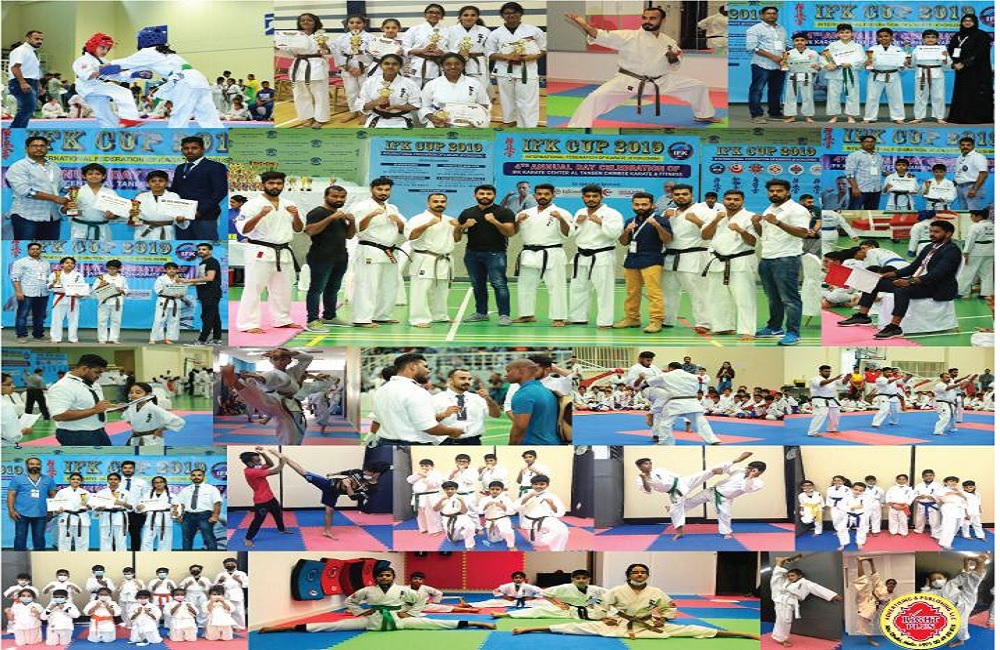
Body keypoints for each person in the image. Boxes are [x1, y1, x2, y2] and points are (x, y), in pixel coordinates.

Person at [513, 563, 758, 641]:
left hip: (647, 624)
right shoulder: (616, 590)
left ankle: (742, 634)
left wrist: (662, 618)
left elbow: (669, 607)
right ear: (628, 575)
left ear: (647, 575)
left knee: (690, 628)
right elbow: (600, 607)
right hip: (621, 623)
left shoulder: (656, 591)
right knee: (579, 627)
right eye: (635, 572)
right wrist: (606, 617)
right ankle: (531, 628)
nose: (639, 575)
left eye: (643, 572)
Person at [563, 8, 718, 127]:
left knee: (698, 86)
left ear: (662, 20)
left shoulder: (668, 40)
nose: (647, 21)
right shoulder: (628, 36)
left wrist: (672, 57)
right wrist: (583, 24)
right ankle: (576, 128)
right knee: (594, 98)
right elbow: (600, 35)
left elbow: (675, 62)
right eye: (645, 18)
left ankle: (703, 115)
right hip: (629, 81)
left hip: (661, 81)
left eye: (652, 18)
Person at [260, 566, 496, 634]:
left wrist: (409, 613)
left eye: (388, 575)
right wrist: (359, 612)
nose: (384, 577)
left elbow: (419, 601)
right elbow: (350, 601)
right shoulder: (367, 590)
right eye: (381, 575)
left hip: (399, 619)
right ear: (376, 578)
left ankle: (476, 623)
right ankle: (286, 627)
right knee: (334, 625)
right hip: (371, 619)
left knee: (433, 623)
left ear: (393, 577)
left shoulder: (402, 590)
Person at [837, 220, 962, 339]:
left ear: (948, 234)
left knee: (902, 290)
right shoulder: (930, 247)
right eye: (931, 231)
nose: (932, 234)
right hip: (920, 282)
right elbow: (912, 267)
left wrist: (909, 282)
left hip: (937, 287)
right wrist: (889, 274)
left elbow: (938, 274)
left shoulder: (952, 251)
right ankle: (862, 316)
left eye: (936, 232)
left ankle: (894, 327)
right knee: (872, 280)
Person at [111, 25, 223, 128]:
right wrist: (133, 74)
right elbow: (133, 72)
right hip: (199, 78)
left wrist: (102, 67)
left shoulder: (147, 52)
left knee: (179, 117)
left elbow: (122, 64)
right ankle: (222, 140)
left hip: (184, 80)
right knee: (208, 116)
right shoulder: (166, 52)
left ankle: (176, 141)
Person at [235, 170, 304, 333]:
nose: (275, 186)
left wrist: (296, 215)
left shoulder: (289, 204)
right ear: (263, 185)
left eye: (279, 183)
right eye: (271, 183)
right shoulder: (251, 205)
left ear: (283, 185)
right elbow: (244, 230)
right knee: (254, 288)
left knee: (283, 288)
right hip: (259, 250)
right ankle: (248, 323)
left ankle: (282, 319)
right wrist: (260, 215)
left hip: (283, 251)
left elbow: (299, 229)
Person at [273, 449, 389, 539]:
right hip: (328, 484)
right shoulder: (359, 472)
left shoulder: (373, 488)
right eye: (365, 470)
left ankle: (327, 532)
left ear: (376, 474)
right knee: (304, 472)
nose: (364, 472)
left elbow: (353, 498)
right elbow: (347, 472)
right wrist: (333, 473)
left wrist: (348, 486)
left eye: (368, 471)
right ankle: (284, 458)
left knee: (330, 511)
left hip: (334, 493)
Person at [753, 179, 810, 346]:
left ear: (788, 192)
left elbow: (803, 233)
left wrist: (778, 222)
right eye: (772, 191)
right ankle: (774, 327)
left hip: (787, 258)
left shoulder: (797, 210)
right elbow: (764, 234)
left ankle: (793, 333)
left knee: (790, 299)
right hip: (767, 257)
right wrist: (756, 224)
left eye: (779, 191)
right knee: (773, 297)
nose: (775, 193)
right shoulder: (770, 208)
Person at [221, 348, 313, 445]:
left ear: (289, 360)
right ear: (271, 361)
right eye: (275, 359)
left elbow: (308, 358)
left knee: (298, 433)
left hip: (292, 407)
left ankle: (237, 383)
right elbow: (265, 378)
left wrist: (290, 353)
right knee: (289, 436)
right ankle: (236, 383)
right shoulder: (272, 373)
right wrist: (256, 377)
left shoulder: (293, 372)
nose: (279, 361)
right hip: (278, 403)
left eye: (283, 359)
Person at [512, 183, 573, 327]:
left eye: (546, 194)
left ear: (553, 195)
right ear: (534, 196)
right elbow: (514, 232)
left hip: (552, 252)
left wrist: (560, 219)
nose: (542, 196)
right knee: (525, 285)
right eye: (539, 194)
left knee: (556, 286)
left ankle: (559, 317)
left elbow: (568, 234)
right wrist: (518, 221)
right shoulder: (525, 213)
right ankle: (527, 314)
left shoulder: (562, 212)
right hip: (529, 252)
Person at [349, 177, 406, 328]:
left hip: (390, 251)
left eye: (387, 190)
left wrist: (399, 221)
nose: (383, 192)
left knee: (389, 285)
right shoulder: (361, 206)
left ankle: (382, 315)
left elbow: (403, 230)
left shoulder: (392, 208)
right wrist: (370, 215)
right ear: (371, 189)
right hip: (370, 249)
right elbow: (357, 229)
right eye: (379, 189)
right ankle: (362, 318)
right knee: (367, 285)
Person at [371, 353, 464, 445]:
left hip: (385, 444)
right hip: (412, 446)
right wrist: (452, 431)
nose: (428, 371)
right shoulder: (416, 391)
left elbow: (377, 423)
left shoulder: (381, 390)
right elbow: (429, 427)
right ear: (413, 366)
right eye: (425, 366)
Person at [566, 184, 623, 328]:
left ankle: (605, 321)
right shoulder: (580, 212)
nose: (591, 199)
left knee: (604, 290)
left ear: (601, 196)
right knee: (578, 287)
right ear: (583, 198)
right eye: (588, 196)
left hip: (602, 255)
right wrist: (577, 223)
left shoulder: (612, 213)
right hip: (582, 254)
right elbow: (571, 234)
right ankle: (578, 317)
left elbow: (616, 234)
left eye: (595, 196)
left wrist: (601, 222)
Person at [458, 184, 516, 325]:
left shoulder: (504, 212)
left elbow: (510, 232)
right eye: (481, 193)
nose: (485, 196)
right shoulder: (467, 212)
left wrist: (494, 221)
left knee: (499, 284)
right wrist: (464, 226)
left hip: (495, 254)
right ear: (475, 195)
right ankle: (481, 313)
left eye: (488, 194)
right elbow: (456, 236)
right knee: (478, 284)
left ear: (494, 196)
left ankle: (504, 315)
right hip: (472, 254)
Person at [615, 192, 672, 333]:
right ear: (633, 205)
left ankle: (656, 320)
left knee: (653, 292)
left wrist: (657, 226)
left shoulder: (660, 220)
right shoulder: (630, 221)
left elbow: (667, 239)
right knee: (631, 292)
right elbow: (623, 242)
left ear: (652, 205)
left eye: (644, 204)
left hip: (652, 259)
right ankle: (632, 318)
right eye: (637, 204)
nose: (640, 207)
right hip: (632, 259)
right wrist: (627, 231)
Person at [671, 455, 766, 539]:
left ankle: (726, 532)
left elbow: (745, 488)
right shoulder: (740, 471)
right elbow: (727, 468)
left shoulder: (758, 483)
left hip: (724, 499)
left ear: (760, 472)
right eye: (748, 468)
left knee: (725, 514)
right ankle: (673, 508)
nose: (748, 470)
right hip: (712, 491)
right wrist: (720, 471)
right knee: (691, 501)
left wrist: (750, 477)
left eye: (751, 469)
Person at [303, 185, 355, 332]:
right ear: (326, 197)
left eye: (342, 197)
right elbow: (310, 231)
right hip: (321, 256)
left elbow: (349, 235)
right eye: (334, 196)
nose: (339, 199)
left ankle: (329, 316)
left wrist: (352, 222)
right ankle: (312, 320)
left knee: (333, 288)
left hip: (340, 257)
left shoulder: (339, 215)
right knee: (316, 289)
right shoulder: (317, 212)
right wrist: (330, 218)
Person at [662, 184, 712, 332]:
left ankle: (704, 322)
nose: (681, 197)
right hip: (670, 256)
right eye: (677, 194)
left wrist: (696, 221)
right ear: (672, 196)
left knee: (698, 292)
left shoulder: (703, 211)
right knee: (668, 291)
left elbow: (712, 232)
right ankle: (667, 319)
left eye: (685, 194)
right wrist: (664, 218)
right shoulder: (669, 212)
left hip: (693, 256)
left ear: (692, 195)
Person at [486, 2, 545, 128]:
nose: (511, 15)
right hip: (504, 70)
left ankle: (528, 126)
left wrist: (531, 57)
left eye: (515, 12)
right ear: (502, 15)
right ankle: (509, 121)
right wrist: (507, 56)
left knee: (528, 100)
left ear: (520, 13)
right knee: (506, 99)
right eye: (507, 13)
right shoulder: (495, 33)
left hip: (527, 69)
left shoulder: (534, 31)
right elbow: (489, 53)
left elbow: (543, 50)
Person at [406, 193, 460, 327]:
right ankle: (418, 319)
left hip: (444, 259)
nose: (439, 204)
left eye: (442, 201)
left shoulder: (449, 220)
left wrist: (458, 227)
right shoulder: (418, 219)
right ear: (428, 203)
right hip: (425, 258)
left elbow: (457, 239)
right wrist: (427, 224)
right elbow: (411, 236)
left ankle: (440, 315)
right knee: (421, 290)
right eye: (435, 201)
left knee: (441, 290)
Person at [72, 32, 144, 128]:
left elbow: (115, 75)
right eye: (102, 48)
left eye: (107, 49)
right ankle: (129, 119)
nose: (105, 51)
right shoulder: (83, 60)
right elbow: (87, 75)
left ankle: (111, 129)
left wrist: (135, 74)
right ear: (93, 46)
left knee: (104, 114)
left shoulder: (103, 61)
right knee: (123, 92)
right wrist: (102, 71)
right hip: (88, 86)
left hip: (92, 89)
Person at [769, 555, 843, 646]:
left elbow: (817, 588)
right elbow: (776, 580)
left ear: (799, 576)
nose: (790, 577)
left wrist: (833, 595)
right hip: (781, 601)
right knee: (784, 620)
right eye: (789, 576)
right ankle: (781, 639)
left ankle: (779, 637)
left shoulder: (804, 583)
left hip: (787, 602)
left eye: (792, 575)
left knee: (782, 620)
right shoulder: (787, 582)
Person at [642, 361, 720, 445]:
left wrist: (643, 377)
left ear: (670, 368)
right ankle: (713, 440)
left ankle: (665, 442)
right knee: (701, 423)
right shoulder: (693, 376)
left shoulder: (665, 375)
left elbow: (648, 382)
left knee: (665, 424)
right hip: (692, 402)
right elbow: (702, 380)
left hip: (675, 402)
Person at [7, 136, 70, 240]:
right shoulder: (19, 166)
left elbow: (62, 186)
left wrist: (74, 191)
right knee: (26, 247)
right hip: (26, 217)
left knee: (49, 248)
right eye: (34, 146)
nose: (39, 148)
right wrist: (55, 198)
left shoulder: (53, 166)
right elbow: (26, 191)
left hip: (52, 217)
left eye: (42, 146)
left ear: (47, 148)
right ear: (26, 149)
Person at [921, 554, 988, 647]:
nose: (936, 580)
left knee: (970, 585)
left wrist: (965, 562)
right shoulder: (933, 592)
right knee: (959, 625)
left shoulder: (950, 583)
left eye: (939, 578)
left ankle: (980, 563)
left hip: (964, 599)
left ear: (945, 578)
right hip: (955, 609)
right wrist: (926, 586)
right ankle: (961, 640)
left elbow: (963, 576)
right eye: (933, 579)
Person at [169, 135, 228, 240]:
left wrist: (200, 211)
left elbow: (220, 192)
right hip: (182, 217)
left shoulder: (215, 167)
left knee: (205, 246)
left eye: (194, 148)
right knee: (184, 247)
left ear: (202, 149)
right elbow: (175, 191)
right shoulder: (180, 168)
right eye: (186, 148)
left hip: (205, 217)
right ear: (182, 150)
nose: (190, 151)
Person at [48, 354, 114, 446]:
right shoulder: (62, 386)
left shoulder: (94, 384)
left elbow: (94, 407)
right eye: (97, 372)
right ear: (84, 369)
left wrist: (113, 408)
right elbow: (58, 415)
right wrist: (94, 410)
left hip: (99, 431)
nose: (99, 376)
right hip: (76, 434)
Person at [496, 569, 606, 620]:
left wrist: (592, 602)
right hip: (567, 609)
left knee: (607, 614)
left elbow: (608, 595)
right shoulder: (565, 587)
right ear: (572, 579)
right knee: (538, 610)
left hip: (588, 610)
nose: (581, 580)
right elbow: (544, 593)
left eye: (584, 578)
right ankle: (506, 615)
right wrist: (557, 604)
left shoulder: (595, 589)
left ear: (588, 579)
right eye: (578, 578)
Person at [432, 368, 502, 445]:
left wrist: (488, 399)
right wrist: (443, 415)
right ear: (450, 380)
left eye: (469, 379)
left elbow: (496, 415)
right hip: (446, 443)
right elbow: (427, 422)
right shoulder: (435, 399)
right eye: (462, 378)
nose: (467, 381)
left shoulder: (478, 398)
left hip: (473, 442)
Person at [420, 52, 490, 127]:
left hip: (468, 126)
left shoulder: (475, 84)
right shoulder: (431, 84)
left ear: (463, 66)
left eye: (457, 64)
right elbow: (424, 107)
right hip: (439, 125)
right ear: (442, 66)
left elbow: (484, 106)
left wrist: (476, 121)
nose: (453, 67)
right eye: (448, 64)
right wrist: (432, 117)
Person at [946, 14, 994, 124]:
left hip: (977, 70)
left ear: (975, 22)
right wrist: (955, 63)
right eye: (965, 20)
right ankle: (959, 117)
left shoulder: (982, 35)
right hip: (961, 71)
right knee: (962, 93)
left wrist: (964, 63)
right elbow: (951, 49)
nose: (967, 22)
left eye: (970, 21)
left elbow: (980, 52)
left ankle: (977, 118)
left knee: (975, 92)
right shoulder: (957, 35)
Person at [238, 447, 288, 547]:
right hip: (261, 501)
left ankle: (282, 529)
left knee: (278, 514)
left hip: (271, 498)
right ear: (250, 463)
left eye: (260, 459)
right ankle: (248, 538)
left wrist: (262, 453)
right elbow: (276, 470)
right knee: (258, 520)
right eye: (258, 461)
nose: (260, 462)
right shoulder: (251, 472)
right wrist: (283, 462)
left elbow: (270, 464)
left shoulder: (256, 468)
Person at [745, 6, 787, 124]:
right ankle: (756, 115)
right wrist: (773, 57)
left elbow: (785, 45)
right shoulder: (754, 29)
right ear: (762, 16)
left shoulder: (781, 29)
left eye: (774, 13)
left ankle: (775, 112)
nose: (772, 15)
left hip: (779, 65)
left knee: (776, 90)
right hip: (761, 65)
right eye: (768, 13)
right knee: (757, 90)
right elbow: (752, 47)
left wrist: (786, 58)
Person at [355, 54, 422, 127]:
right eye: (386, 63)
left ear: (400, 66)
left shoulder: (409, 83)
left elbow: (416, 105)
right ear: (381, 66)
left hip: (401, 119)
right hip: (377, 117)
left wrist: (396, 107)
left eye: (394, 64)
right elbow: (362, 105)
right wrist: (376, 102)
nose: (390, 66)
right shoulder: (370, 82)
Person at [7, 457, 56, 551]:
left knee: (39, 538)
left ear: (41, 466)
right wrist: (11, 510)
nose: (35, 466)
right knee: (20, 537)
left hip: (41, 514)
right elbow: (11, 494)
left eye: (37, 464)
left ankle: (40, 557)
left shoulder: (48, 479)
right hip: (21, 514)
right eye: (32, 464)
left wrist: (51, 511)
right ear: (27, 465)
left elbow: (52, 495)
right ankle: (19, 558)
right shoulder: (17, 479)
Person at [507, 359, 560, 445]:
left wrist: (511, 447)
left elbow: (519, 428)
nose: (507, 375)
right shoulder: (545, 390)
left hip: (534, 444)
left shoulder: (524, 394)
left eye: (509, 371)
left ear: (521, 371)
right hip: (552, 442)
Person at [822, 24, 865, 123]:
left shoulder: (857, 46)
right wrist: (828, 65)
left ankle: (851, 116)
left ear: (852, 33)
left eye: (847, 32)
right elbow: (823, 57)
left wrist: (851, 63)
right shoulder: (832, 45)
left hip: (850, 73)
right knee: (833, 95)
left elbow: (862, 60)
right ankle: (834, 116)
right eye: (842, 32)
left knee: (852, 95)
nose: (844, 34)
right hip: (835, 74)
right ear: (837, 34)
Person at [863, 28, 906, 124]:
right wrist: (867, 63)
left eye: (886, 36)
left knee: (895, 97)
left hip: (893, 75)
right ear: (877, 38)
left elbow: (902, 66)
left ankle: (898, 117)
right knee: (872, 97)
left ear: (891, 37)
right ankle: (869, 117)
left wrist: (904, 64)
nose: (883, 38)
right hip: (876, 74)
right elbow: (867, 65)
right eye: (880, 36)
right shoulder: (872, 49)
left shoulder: (898, 50)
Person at [332, 14, 370, 124]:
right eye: (352, 22)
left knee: (365, 91)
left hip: (365, 67)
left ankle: (366, 113)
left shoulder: (370, 38)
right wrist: (347, 68)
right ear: (347, 24)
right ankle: (353, 111)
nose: (355, 25)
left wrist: (362, 68)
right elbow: (337, 54)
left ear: (364, 24)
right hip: (347, 66)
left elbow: (373, 55)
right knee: (351, 91)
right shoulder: (341, 38)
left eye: (358, 22)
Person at [121, 382, 185, 446]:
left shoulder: (153, 408)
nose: (133, 395)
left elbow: (178, 421)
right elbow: (128, 419)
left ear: (148, 395)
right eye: (131, 392)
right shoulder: (131, 407)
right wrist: (138, 428)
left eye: (138, 393)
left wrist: (160, 429)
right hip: (136, 438)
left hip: (152, 439)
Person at [184, 242, 223, 345]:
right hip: (206, 293)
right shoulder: (203, 263)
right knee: (214, 317)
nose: (201, 251)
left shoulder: (211, 262)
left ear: (210, 251)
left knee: (208, 317)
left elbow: (210, 278)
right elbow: (202, 280)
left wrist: (188, 280)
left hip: (211, 293)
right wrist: (186, 283)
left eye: (204, 249)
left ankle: (202, 340)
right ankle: (217, 339)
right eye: (199, 249)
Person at [11, 242, 51, 343]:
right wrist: (18, 292)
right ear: (28, 250)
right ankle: (21, 335)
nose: (35, 251)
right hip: (27, 292)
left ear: (40, 250)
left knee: (40, 316)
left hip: (43, 293)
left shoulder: (46, 262)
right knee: (22, 315)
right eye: (33, 249)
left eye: (37, 249)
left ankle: (38, 335)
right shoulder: (21, 262)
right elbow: (15, 278)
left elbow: (48, 277)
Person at [910, 29, 950, 124]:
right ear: (923, 39)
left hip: (937, 74)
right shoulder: (917, 49)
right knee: (920, 96)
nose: (930, 39)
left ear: (937, 39)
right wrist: (908, 61)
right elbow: (912, 64)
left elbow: (947, 66)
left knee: (938, 96)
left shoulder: (942, 49)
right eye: (927, 37)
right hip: (921, 73)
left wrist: (945, 58)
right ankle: (919, 117)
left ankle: (939, 117)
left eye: (933, 37)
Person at [518, 475, 568, 551]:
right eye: (536, 484)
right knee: (537, 543)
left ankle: (557, 551)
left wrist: (551, 504)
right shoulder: (527, 494)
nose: (538, 486)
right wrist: (528, 497)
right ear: (532, 485)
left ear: (547, 485)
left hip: (546, 520)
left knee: (562, 530)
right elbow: (517, 507)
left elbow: (558, 512)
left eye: (542, 484)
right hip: (531, 522)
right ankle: (542, 535)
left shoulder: (552, 496)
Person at [176, 468, 222, 550]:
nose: (196, 477)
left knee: (209, 538)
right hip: (188, 517)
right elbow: (180, 504)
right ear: (190, 477)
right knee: (186, 539)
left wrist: (215, 516)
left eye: (199, 475)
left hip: (205, 516)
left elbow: (217, 503)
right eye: (193, 475)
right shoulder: (185, 490)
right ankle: (186, 556)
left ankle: (213, 555)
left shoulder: (211, 489)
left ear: (203, 477)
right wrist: (179, 515)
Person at [781, 33, 821, 122]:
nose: (799, 42)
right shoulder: (788, 53)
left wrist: (817, 67)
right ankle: (791, 116)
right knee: (790, 97)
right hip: (793, 76)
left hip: (806, 76)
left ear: (806, 42)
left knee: (807, 97)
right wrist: (783, 64)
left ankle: (808, 116)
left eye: (802, 40)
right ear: (793, 42)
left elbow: (818, 66)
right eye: (797, 40)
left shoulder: (813, 53)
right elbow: (785, 65)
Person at [8, 30, 44, 128]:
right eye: (36, 39)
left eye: (41, 39)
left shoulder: (34, 53)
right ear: (27, 38)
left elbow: (34, 71)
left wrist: (39, 85)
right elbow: (15, 68)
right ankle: (13, 130)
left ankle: (21, 130)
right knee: (28, 107)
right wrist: (22, 82)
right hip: (20, 81)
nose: (40, 41)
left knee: (30, 109)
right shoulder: (20, 50)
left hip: (33, 82)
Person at [149, 262, 190, 344]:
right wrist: (170, 292)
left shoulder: (180, 279)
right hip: (164, 301)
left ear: (177, 270)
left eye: (174, 269)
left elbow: (184, 290)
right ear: (165, 270)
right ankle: (154, 338)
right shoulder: (161, 278)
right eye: (169, 269)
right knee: (159, 320)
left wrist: (181, 294)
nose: (172, 270)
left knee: (174, 321)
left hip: (176, 302)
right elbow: (158, 290)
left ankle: (168, 338)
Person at [447, 5, 491, 81]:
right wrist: (457, 52)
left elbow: (489, 49)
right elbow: (445, 47)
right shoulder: (450, 30)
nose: (469, 18)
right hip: (455, 62)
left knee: (479, 85)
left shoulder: (485, 31)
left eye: (473, 15)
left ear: (477, 17)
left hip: (477, 63)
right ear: (460, 17)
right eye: (466, 15)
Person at [136, 476, 175, 551]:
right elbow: (138, 507)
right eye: (156, 482)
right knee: (146, 541)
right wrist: (139, 508)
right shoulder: (146, 495)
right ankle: (146, 557)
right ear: (153, 484)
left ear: (165, 483)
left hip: (165, 520)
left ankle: (164, 558)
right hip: (150, 520)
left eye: (161, 482)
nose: (158, 484)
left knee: (165, 542)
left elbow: (177, 508)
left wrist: (176, 513)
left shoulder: (172, 496)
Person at [845, 135, 884, 210]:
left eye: (872, 142)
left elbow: (882, 171)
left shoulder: (878, 156)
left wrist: (900, 175)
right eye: (867, 141)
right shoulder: (854, 155)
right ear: (861, 143)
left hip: (875, 190)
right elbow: (849, 173)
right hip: (860, 189)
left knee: (872, 212)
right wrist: (855, 188)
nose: (870, 143)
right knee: (854, 212)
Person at [806, 365, 847, 436]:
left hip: (832, 400)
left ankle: (832, 429)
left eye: (829, 371)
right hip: (819, 399)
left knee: (835, 415)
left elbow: (842, 383)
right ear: (820, 371)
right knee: (820, 415)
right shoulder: (814, 379)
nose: (828, 373)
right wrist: (834, 378)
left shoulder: (832, 379)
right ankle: (812, 432)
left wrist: (847, 379)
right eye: (826, 371)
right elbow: (822, 383)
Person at [952, 137, 990, 211]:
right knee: (963, 211)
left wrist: (974, 189)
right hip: (960, 187)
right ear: (959, 146)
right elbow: (959, 173)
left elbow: (983, 173)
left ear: (973, 146)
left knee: (973, 211)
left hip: (972, 186)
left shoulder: (978, 157)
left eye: (968, 145)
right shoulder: (960, 157)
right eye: (963, 145)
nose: (965, 147)